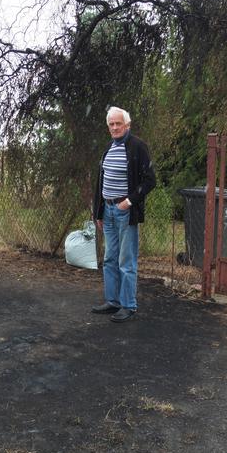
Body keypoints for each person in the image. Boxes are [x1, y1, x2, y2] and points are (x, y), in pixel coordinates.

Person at [91, 106, 156, 322]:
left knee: (126, 261)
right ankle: (113, 301)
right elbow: (102, 181)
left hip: (125, 212)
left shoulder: (138, 147)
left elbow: (150, 180)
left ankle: (128, 305)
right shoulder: (109, 147)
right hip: (108, 211)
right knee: (110, 258)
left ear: (127, 125)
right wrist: (98, 211)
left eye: (119, 123)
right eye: (111, 124)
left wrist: (129, 202)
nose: (115, 127)